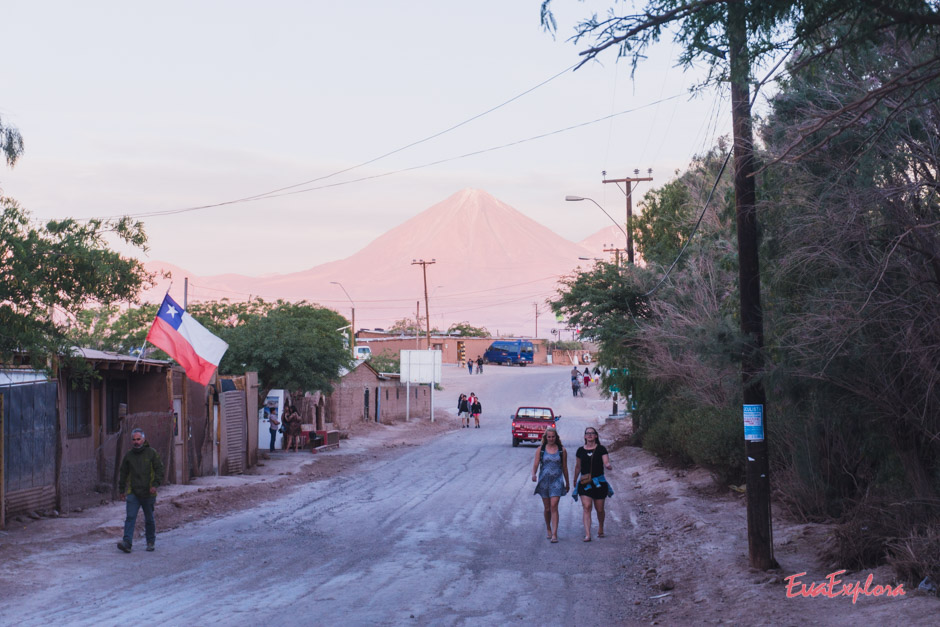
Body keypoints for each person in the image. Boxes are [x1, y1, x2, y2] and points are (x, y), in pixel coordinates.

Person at [117, 428, 165, 553]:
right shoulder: (129, 455)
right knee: (130, 517)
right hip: (133, 493)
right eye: (134, 440)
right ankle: (127, 543)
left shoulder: (151, 453)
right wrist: (121, 490)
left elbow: (159, 469)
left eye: (138, 439)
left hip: (148, 493)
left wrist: (155, 484)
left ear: (143, 439)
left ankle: (150, 542)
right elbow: (123, 473)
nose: (136, 442)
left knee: (149, 518)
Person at [573, 427, 613, 542]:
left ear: (596, 436)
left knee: (600, 509)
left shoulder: (601, 449)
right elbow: (578, 466)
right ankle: (588, 534)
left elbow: (606, 461)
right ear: (585, 436)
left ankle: (600, 527)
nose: (590, 435)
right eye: (587, 433)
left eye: (592, 433)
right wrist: (575, 479)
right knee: (587, 506)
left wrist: (608, 465)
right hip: (585, 483)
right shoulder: (580, 450)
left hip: (599, 483)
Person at [531, 427, 569, 543]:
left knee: (554, 506)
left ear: (556, 437)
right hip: (544, 481)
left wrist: (567, 482)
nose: (551, 439)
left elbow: (564, 467)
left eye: (553, 437)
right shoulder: (541, 449)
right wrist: (534, 474)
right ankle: (548, 528)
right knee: (547, 508)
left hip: (557, 481)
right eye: (549, 437)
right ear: (546, 438)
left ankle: (554, 534)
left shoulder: (562, 450)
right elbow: (536, 464)